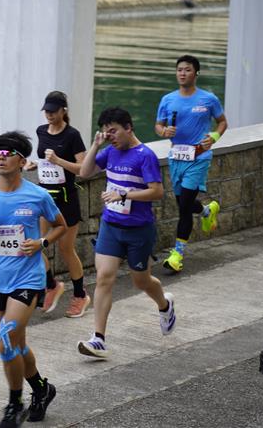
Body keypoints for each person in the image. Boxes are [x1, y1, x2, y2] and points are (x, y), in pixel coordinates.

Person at [0, 131, 67, 428]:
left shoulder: (37, 195)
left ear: (22, 161)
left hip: (28, 278)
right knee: (18, 345)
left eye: (8, 153)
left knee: (5, 339)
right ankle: (41, 388)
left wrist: (41, 243)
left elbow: (60, 226)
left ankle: (14, 404)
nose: (1, 157)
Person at [76, 107, 176, 359]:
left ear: (128, 128)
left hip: (138, 230)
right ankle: (98, 339)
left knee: (141, 281)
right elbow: (84, 172)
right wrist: (95, 145)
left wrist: (124, 194)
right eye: (106, 132)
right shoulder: (110, 151)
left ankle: (164, 305)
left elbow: (157, 192)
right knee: (104, 277)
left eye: (114, 131)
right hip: (111, 226)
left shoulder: (145, 156)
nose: (110, 136)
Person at [154, 54, 228, 273]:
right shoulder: (168, 99)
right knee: (183, 203)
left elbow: (222, 122)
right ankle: (206, 211)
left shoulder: (208, 99)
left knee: (185, 206)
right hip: (177, 157)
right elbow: (158, 125)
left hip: (199, 157)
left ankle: (177, 254)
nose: (182, 73)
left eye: (187, 70)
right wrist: (164, 132)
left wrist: (214, 137)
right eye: (179, 70)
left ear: (196, 73)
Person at [25, 91, 90, 317]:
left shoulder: (73, 135)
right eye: (47, 111)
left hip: (66, 199)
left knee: (65, 249)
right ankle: (51, 285)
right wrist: (36, 164)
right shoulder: (41, 131)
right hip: (45, 197)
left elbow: (83, 169)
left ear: (64, 110)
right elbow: (46, 160)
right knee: (35, 244)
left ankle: (80, 295)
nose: (49, 115)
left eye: (53, 111)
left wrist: (59, 160)